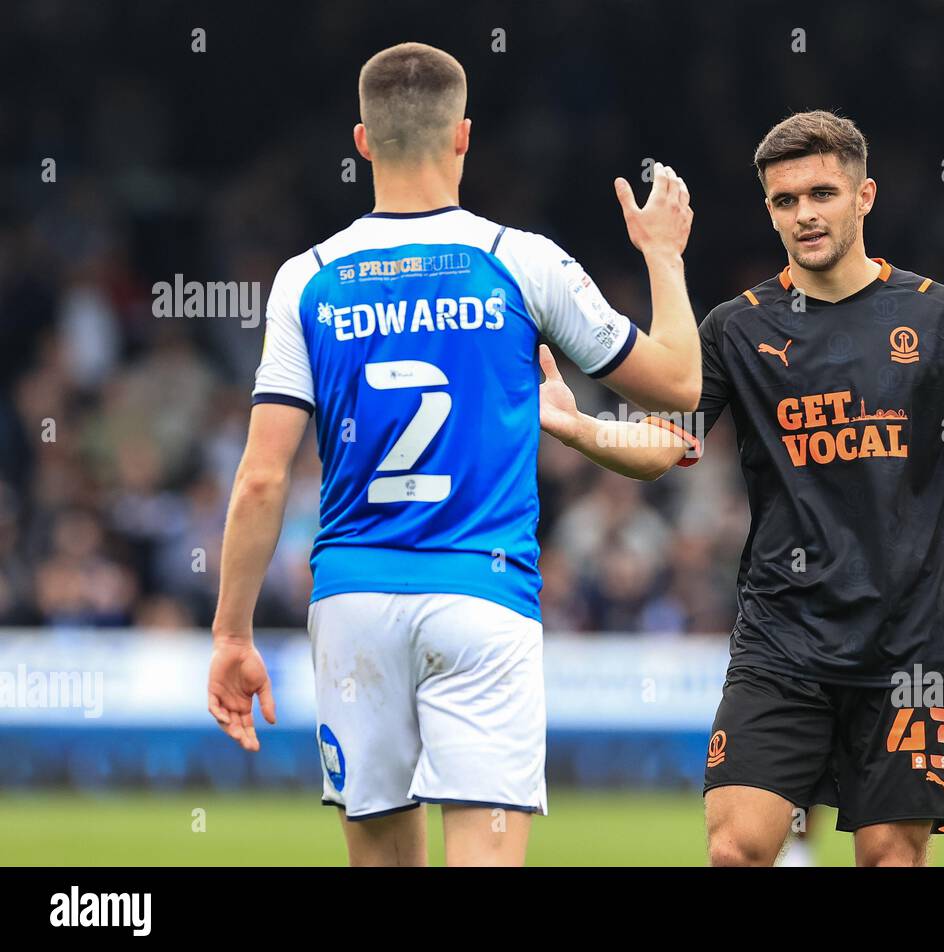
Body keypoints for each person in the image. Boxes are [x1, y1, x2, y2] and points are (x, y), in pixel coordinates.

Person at [207, 42, 699, 866]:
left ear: (361, 142)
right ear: (464, 136)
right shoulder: (519, 261)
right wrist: (664, 255)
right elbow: (678, 386)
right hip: (483, 596)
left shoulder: (308, 279)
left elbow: (262, 477)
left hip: (354, 600)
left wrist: (231, 633)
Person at [539, 110, 944, 866]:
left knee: (889, 859)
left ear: (864, 196)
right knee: (736, 848)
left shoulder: (940, 316)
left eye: (822, 192)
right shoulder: (736, 329)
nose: (804, 214)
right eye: (783, 200)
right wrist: (581, 429)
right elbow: (666, 447)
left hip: (909, 645)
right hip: (782, 636)